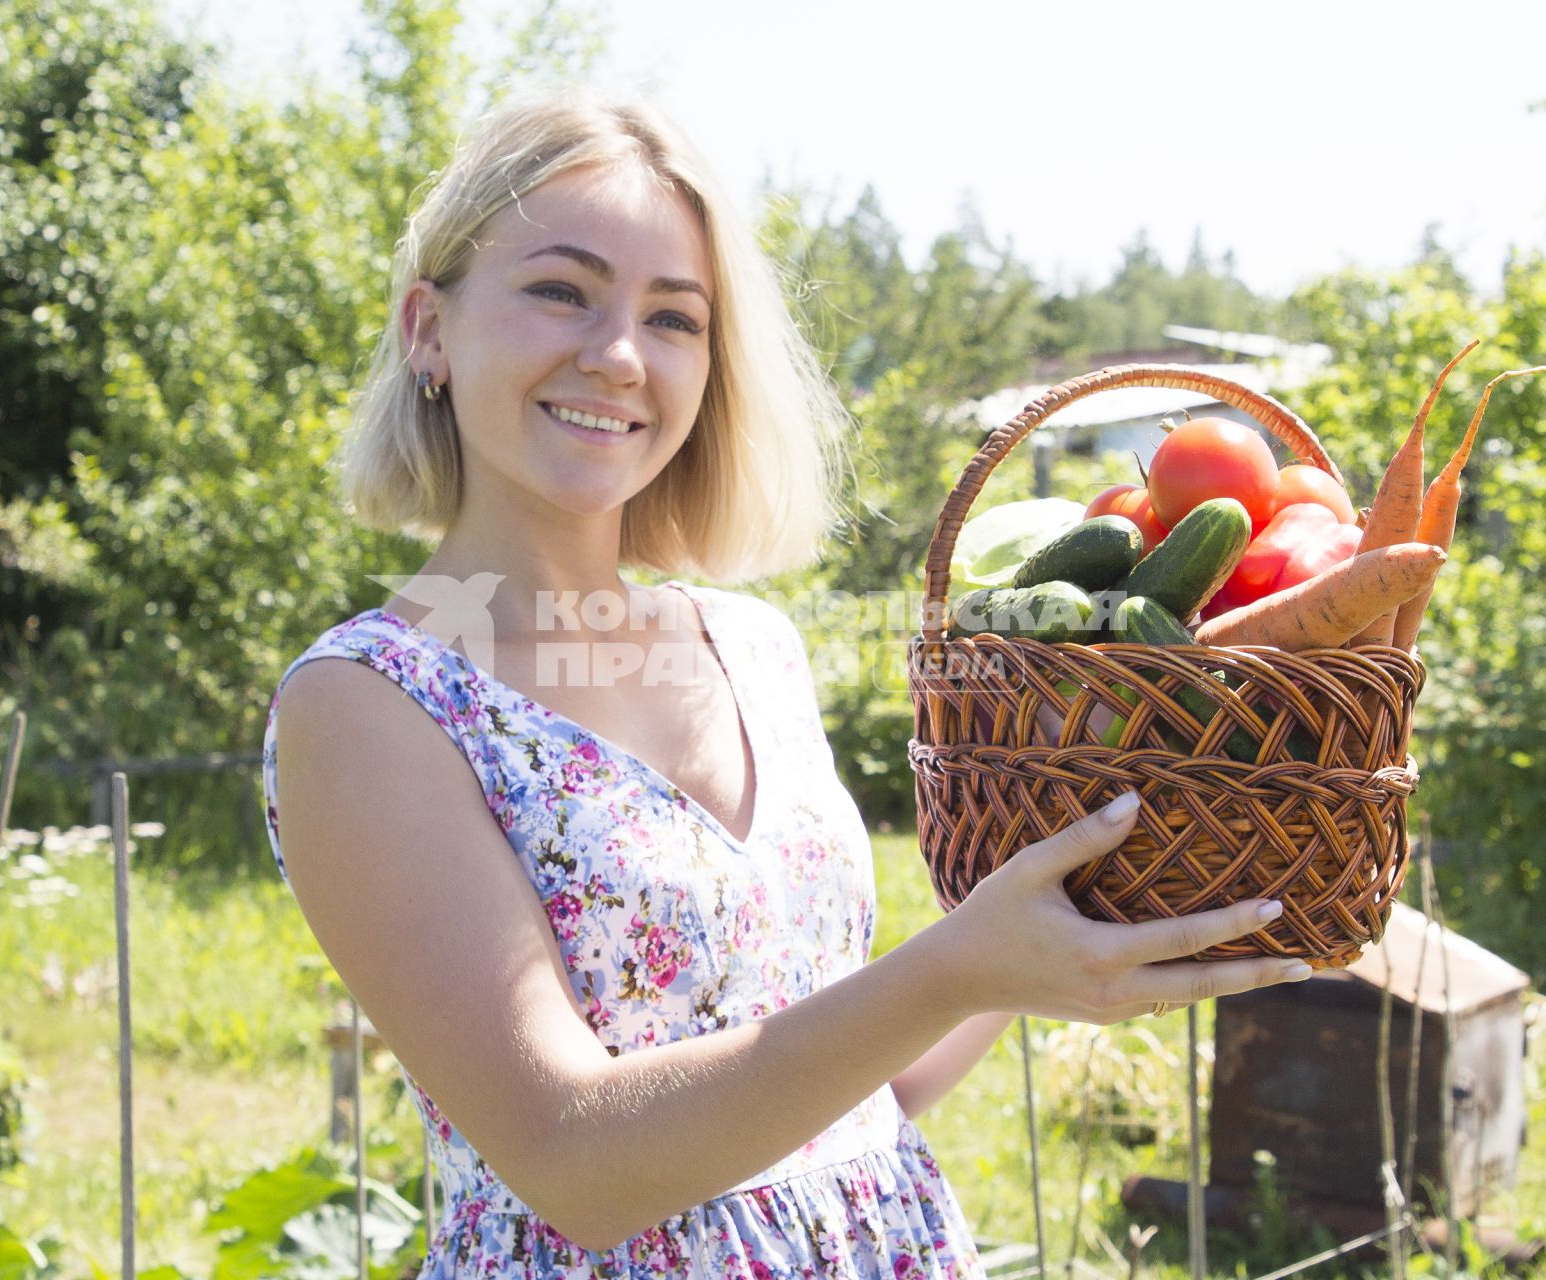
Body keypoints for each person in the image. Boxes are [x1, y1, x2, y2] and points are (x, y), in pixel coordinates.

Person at [260, 89, 1312, 1278]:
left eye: (675, 317)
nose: (616, 353)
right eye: (561, 289)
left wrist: (1066, 924)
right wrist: (959, 963)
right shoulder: (370, 702)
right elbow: (571, 1161)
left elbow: (864, 1084)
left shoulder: (751, 646)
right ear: (429, 330)